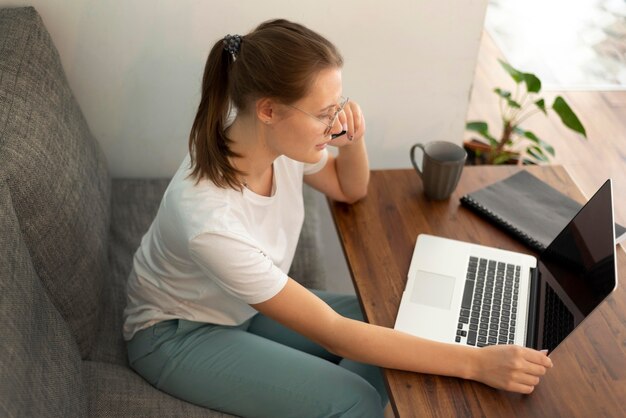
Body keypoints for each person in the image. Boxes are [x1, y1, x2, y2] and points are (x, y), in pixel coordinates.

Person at [123, 19, 553, 418]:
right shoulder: (210, 220)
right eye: (325, 112)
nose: (335, 121)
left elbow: (350, 189)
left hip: (238, 304)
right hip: (177, 335)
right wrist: (477, 363)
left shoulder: (270, 141)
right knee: (358, 399)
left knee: (388, 310)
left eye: (339, 105)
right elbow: (332, 332)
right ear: (270, 110)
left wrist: (351, 142)